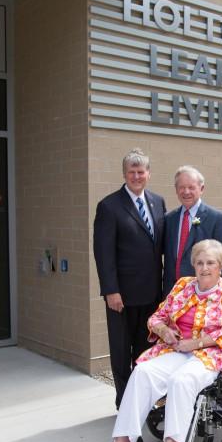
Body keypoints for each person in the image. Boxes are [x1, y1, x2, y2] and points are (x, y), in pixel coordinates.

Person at [82, 240, 222, 442]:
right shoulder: (182, 286)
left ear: (220, 266)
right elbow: (157, 317)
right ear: (193, 264)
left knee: (180, 382)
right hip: (175, 349)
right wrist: (164, 330)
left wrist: (199, 343)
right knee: (143, 372)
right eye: (199, 262)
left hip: (208, 356)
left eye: (210, 263)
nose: (204, 268)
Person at [93, 148, 167, 408]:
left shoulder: (158, 202)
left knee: (145, 351)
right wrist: (111, 290)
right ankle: (124, 404)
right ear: (124, 174)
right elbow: (103, 254)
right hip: (121, 297)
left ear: (148, 174)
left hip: (151, 295)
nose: (137, 176)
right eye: (131, 172)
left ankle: (143, 401)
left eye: (141, 171)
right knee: (122, 352)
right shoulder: (109, 206)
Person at [162, 166, 222, 296]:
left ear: (201, 189)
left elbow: (221, 261)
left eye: (191, 187)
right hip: (172, 292)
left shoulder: (216, 218)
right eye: (181, 187)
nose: (186, 192)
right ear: (176, 190)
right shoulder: (169, 219)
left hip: (202, 292)